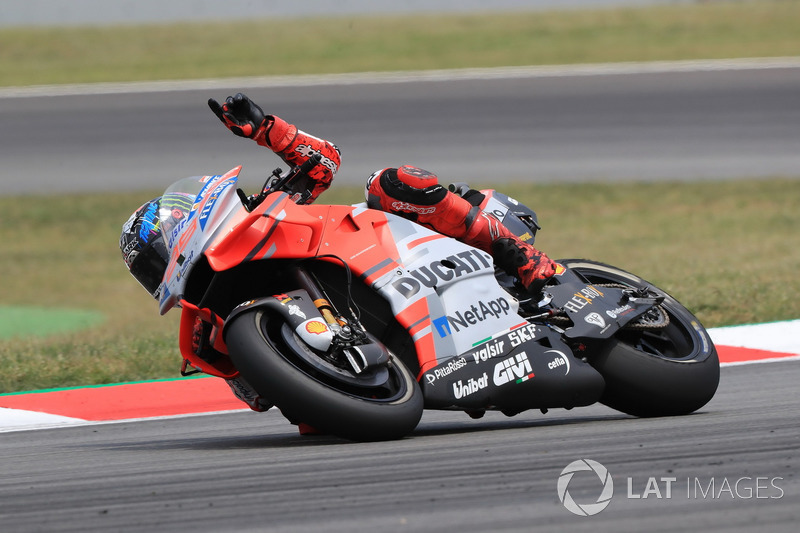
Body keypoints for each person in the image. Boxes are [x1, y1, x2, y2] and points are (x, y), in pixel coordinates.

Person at [207, 93, 557, 293]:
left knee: (390, 182)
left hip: (392, 244)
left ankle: (521, 255)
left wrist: (266, 131)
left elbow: (324, 163)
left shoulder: (262, 216)